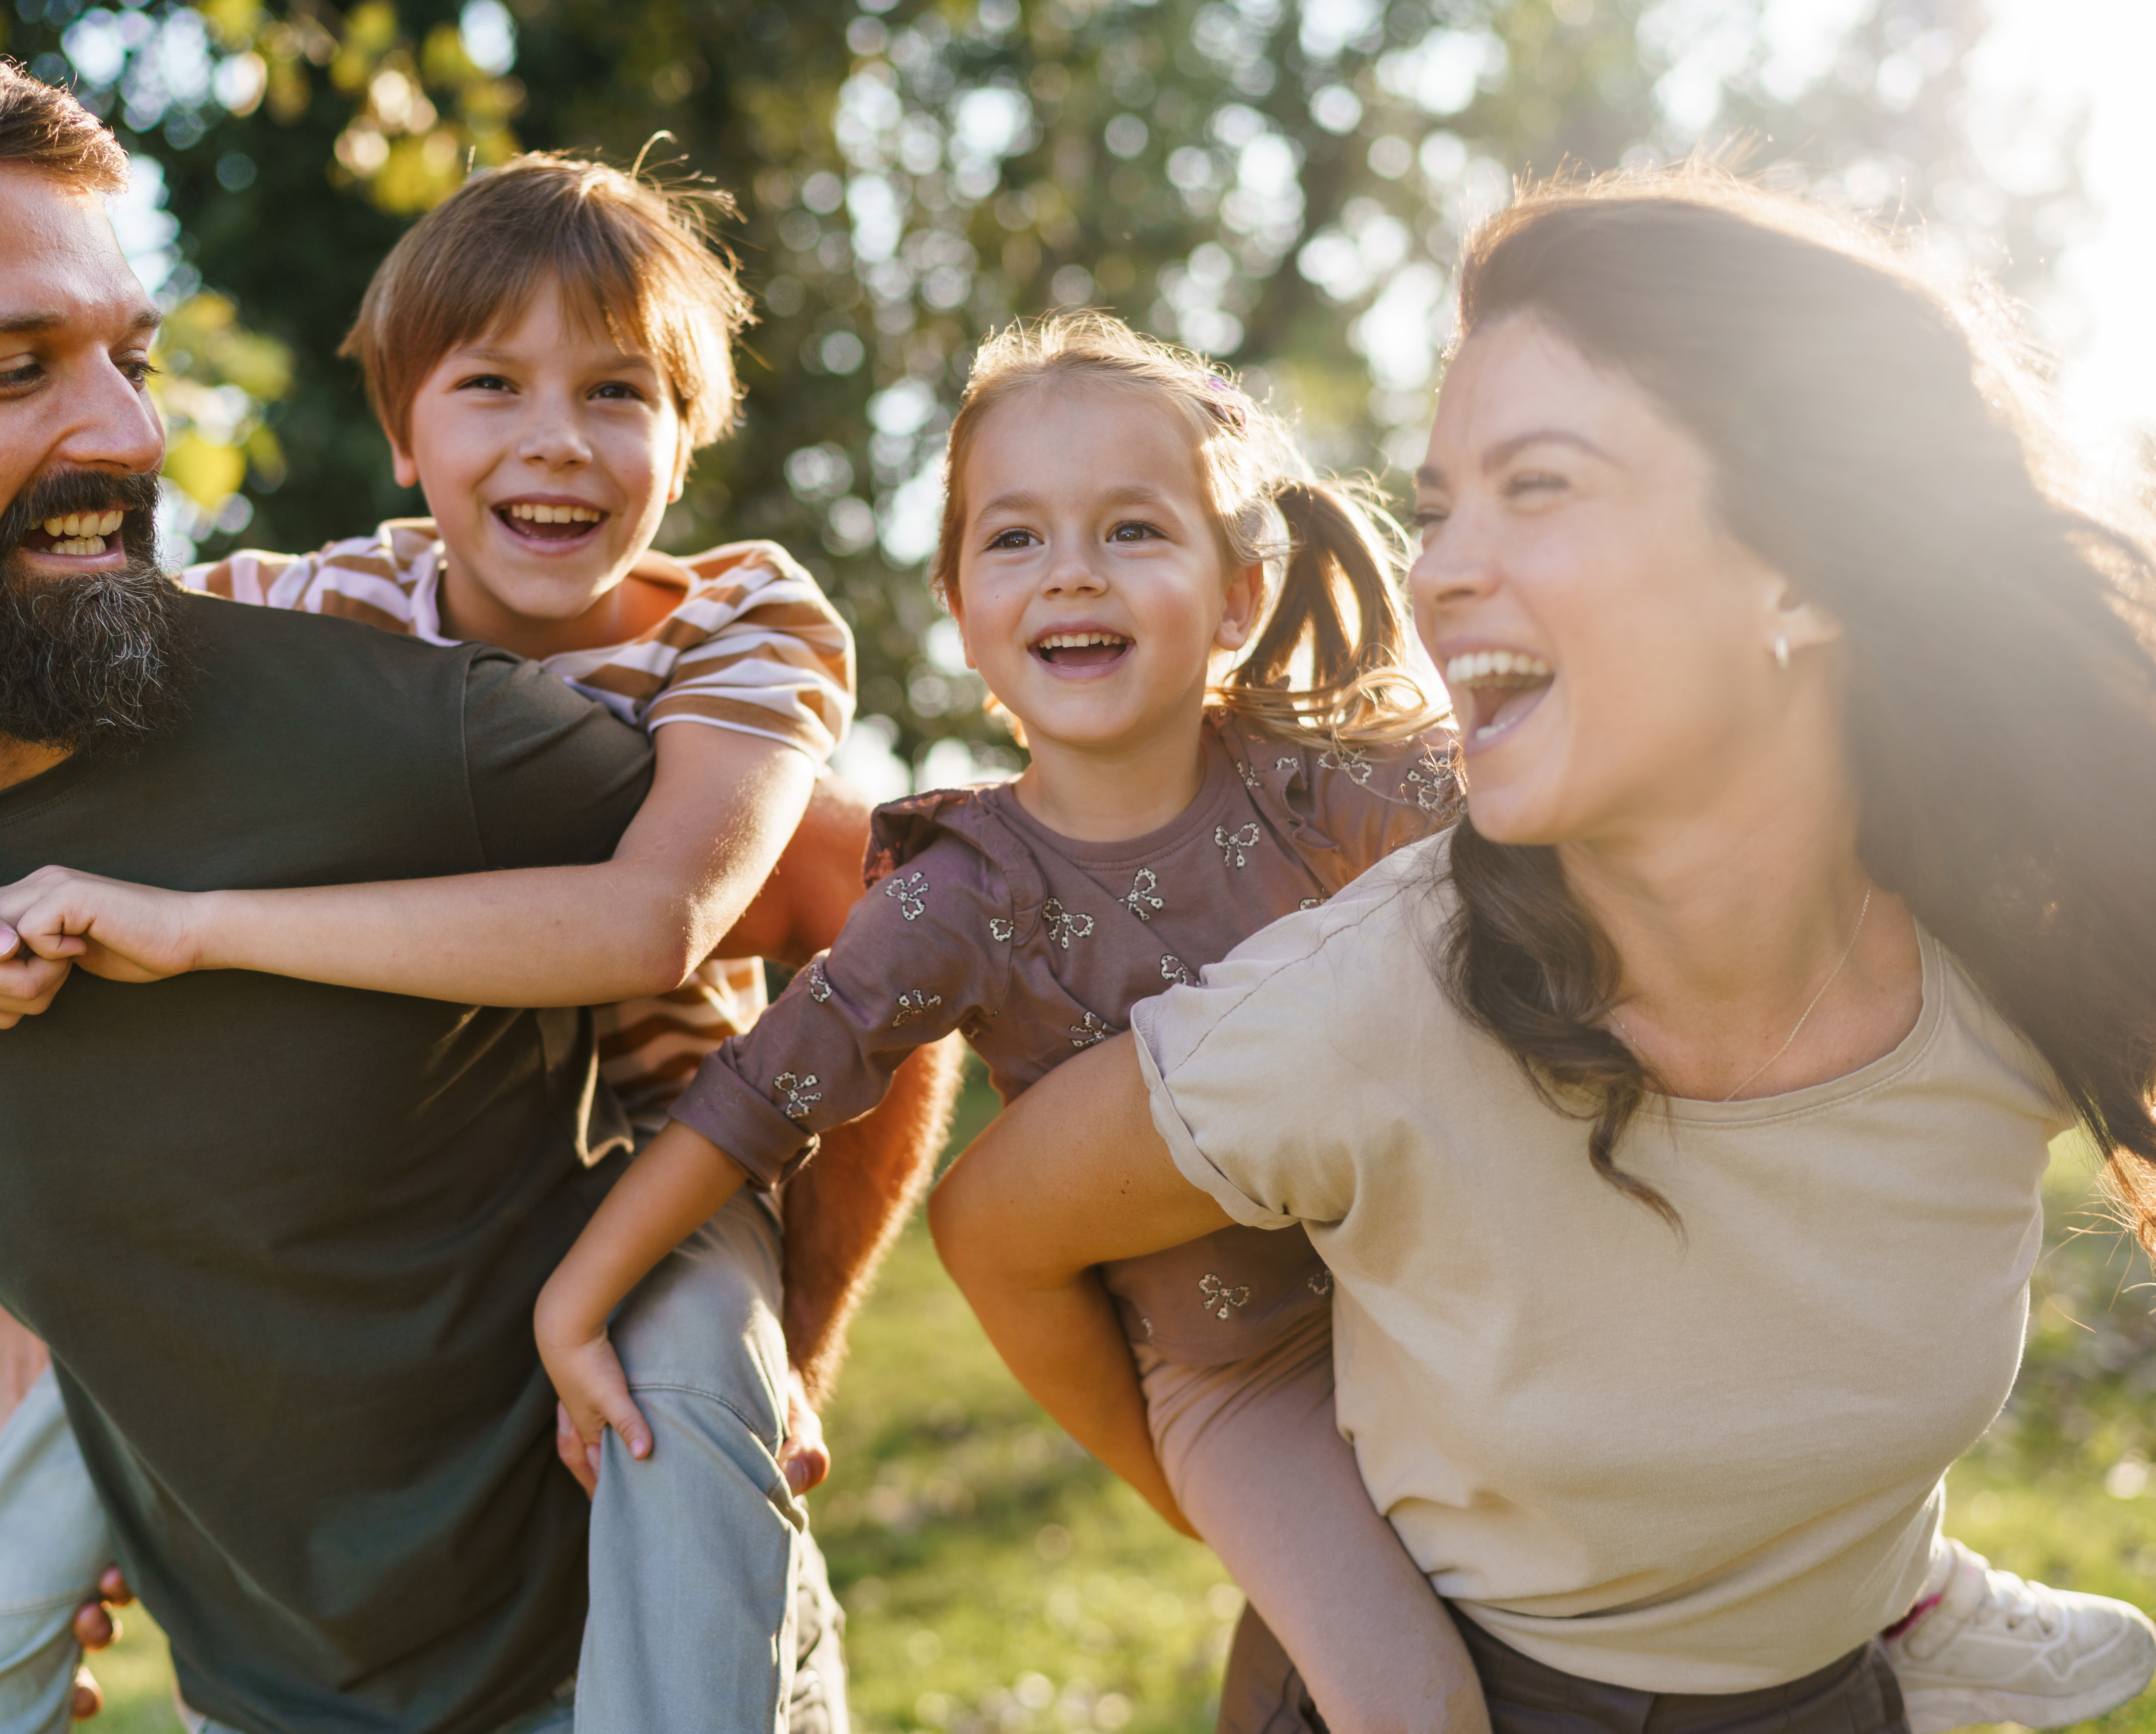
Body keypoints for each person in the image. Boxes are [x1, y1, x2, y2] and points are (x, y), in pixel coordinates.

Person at [0, 59, 928, 1734]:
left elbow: (842, 908)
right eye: (11, 367)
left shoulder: (529, 696)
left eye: (132, 359)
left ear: (696, 428)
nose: (126, 431)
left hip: (656, 1228)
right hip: (249, 1691)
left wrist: (791, 1341)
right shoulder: (337, 607)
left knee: (681, 1402)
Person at [926, 172, 2156, 1734]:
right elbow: (998, 1232)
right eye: (1434, 507)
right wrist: (1286, 1555)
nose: (1439, 567)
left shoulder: (2015, 939)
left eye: (1533, 486)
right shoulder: (1358, 1008)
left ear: (1805, 564)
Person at [535, 310, 1492, 1734]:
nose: (1070, 576)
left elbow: (1541, 822)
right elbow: (757, 1098)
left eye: (1130, 531)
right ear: (960, 603)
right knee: (1408, 1706)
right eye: (1016, 540)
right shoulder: (955, 903)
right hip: (1243, 1383)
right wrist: (575, 1298)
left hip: (1434, 1308)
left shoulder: (1315, 786)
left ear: (1237, 596)